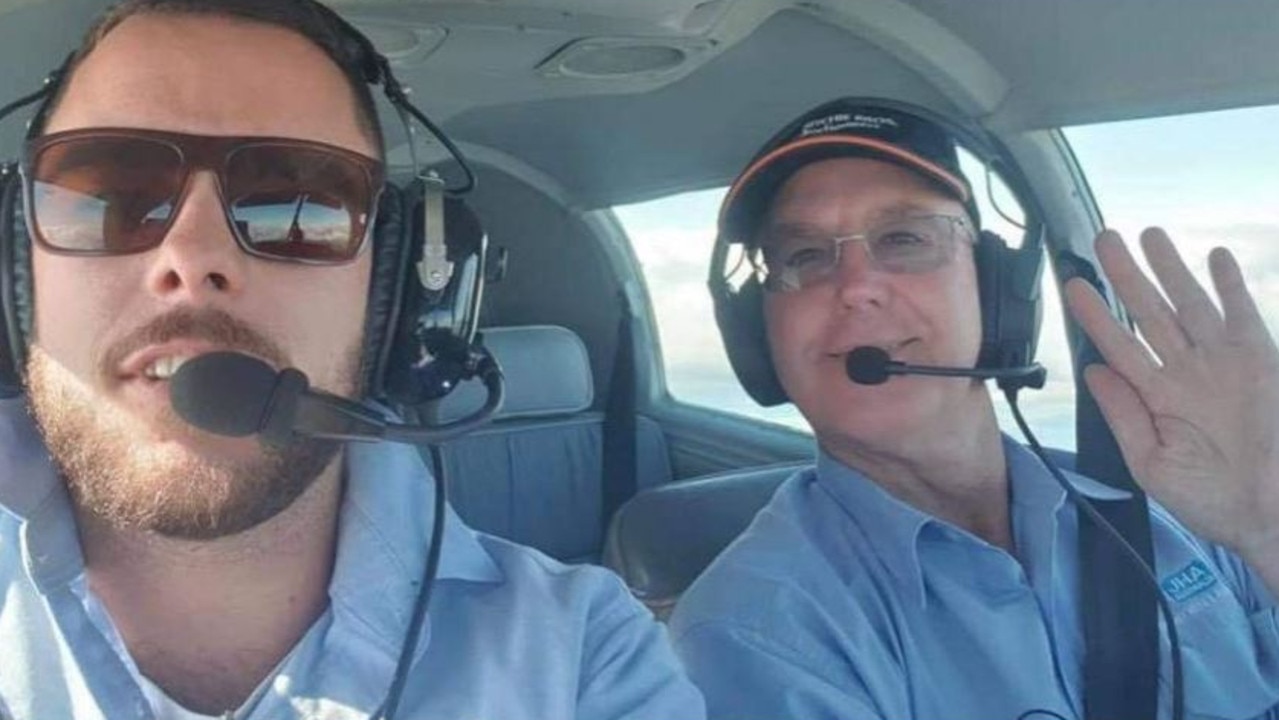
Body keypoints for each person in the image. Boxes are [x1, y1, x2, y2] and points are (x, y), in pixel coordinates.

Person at [0, 2, 705, 719]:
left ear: (398, 298)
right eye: (109, 197)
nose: (190, 256)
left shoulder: (581, 657)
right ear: (16, 265)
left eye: (297, 208)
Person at [669, 98, 1279, 720]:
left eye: (904, 238)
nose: (854, 288)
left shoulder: (1187, 499)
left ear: (997, 290)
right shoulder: (756, 634)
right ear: (756, 330)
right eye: (803, 256)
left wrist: (1268, 525)